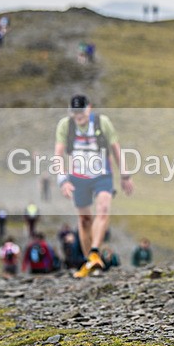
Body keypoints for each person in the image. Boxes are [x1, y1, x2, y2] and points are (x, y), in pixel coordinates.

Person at [54, 94, 134, 277]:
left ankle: (95, 251)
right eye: (75, 112)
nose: (78, 115)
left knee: (103, 208)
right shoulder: (66, 126)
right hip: (78, 177)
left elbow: (116, 149)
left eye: (81, 111)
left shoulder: (102, 122)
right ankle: (90, 261)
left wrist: (125, 175)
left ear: (89, 108)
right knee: (84, 220)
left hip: (102, 175)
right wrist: (62, 180)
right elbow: (58, 154)